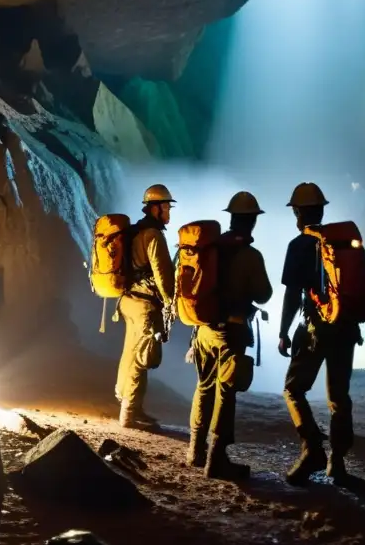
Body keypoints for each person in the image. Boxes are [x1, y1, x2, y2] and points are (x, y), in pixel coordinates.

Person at [187, 191, 273, 480]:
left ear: (231, 218)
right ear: (252, 222)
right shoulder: (250, 255)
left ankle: (195, 451)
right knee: (226, 393)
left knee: (203, 387)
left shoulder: (209, 249)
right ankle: (216, 459)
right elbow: (264, 294)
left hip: (203, 331)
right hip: (231, 332)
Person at [278, 181, 360, 486]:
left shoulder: (298, 246)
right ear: (322, 210)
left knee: (293, 389)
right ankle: (336, 464)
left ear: (297, 212)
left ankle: (312, 446)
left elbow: (292, 294)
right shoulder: (341, 242)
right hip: (347, 328)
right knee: (339, 397)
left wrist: (283, 331)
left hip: (315, 329)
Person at [116, 183, 176, 430]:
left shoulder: (135, 231)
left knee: (131, 354)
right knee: (141, 358)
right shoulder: (153, 235)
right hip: (144, 304)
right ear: (156, 208)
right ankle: (128, 415)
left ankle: (133, 407)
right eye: (166, 207)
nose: (169, 212)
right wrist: (171, 301)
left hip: (128, 300)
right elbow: (162, 273)